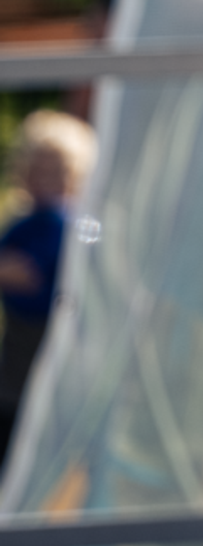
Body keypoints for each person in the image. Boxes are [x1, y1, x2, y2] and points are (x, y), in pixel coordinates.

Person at [0, 108, 96, 463]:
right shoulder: (26, 222)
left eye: (54, 170)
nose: (44, 178)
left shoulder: (69, 224)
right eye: (36, 168)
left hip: (52, 347)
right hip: (19, 347)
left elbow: (30, 275)